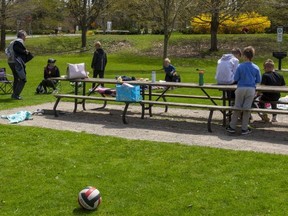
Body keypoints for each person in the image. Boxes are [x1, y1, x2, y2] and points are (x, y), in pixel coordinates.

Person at [226, 46, 261, 135]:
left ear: (244, 56)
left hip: (241, 88)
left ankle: (232, 126)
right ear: (252, 56)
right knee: (247, 109)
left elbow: (236, 78)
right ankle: (244, 128)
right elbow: (258, 80)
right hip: (251, 89)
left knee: (237, 107)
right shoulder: (256, 67)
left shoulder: (240, 66)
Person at [7, 30, 33, 100]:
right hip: (16, 62)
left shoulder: (12, 42)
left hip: (10, 61)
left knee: (16, 78)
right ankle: (16, 95)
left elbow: (7, 50)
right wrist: (25, 52)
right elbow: (17, 49)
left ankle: (14, 95)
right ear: (22, 36)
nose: (26, 38)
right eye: (25, 36)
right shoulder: (19, 41)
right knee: (23, 79)